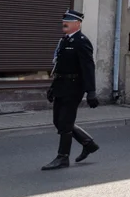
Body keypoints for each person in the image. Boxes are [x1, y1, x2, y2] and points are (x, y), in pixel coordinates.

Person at [41, 9, 100, 170]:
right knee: (58, 121)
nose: (64, 23)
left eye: (68, 21)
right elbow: (59, 66)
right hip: (61, 85)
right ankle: (88, 144)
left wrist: (91, 91)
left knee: (65, 123)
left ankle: (62, 157)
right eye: (64, 21)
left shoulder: (82, 41)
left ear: (77, 23)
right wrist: (53, 87)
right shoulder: (65, 41)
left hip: (74, 87)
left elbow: (88, 67)